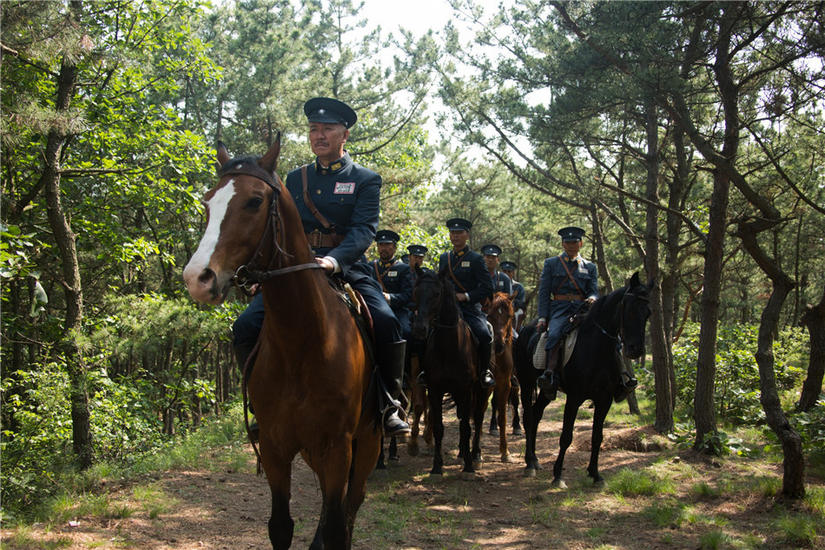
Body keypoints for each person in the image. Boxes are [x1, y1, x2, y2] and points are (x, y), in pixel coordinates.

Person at [232, 97, 410, 436]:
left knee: (387, 323)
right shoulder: (294, 179)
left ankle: (389, 403)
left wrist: (333, 260)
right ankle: (260, 404)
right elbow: (278, 229)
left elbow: (363, 231)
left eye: (327, 129)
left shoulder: (365, 179)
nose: (319, 135)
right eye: (314, 129)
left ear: (344, 135)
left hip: (347, 268)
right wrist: (264, 272)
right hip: (293, 271)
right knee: (244, 327)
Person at [437, 218, 495, 388]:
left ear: (467, 235)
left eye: (459, 233)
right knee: (425, 332)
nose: (455, 236)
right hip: (447, 308)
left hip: (469, 309)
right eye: (452, 233)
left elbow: (487, 287)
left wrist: (466, 296)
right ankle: (426, 371)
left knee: (484, 335)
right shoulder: (444, 258)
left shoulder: (476, 259)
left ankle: (484, 371)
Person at [369, 230, 414, 339]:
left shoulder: (404, 269)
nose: (383, 248)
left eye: (387, 244)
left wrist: (389, 297)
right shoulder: (370, 266)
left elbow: (407, 296)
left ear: (394, 248)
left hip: (397, 310)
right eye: (381, 244)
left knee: (406, 332)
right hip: (373, 308)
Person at [500, 260, 526, 332]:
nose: (507, 273)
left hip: (513, 314)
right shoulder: (497, 284)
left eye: (509, 271)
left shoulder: (518, 287)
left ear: (513, 273)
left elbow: (521, 304)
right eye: (504, 271)